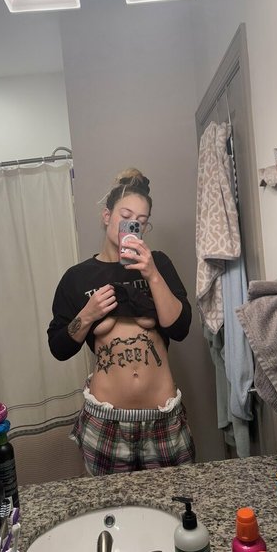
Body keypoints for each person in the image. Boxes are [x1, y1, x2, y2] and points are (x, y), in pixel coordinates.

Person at [47, 168, 195, 475]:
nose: (132, 226)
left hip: (162, 419)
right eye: (126, 217)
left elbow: (180, 328)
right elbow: (59, 347)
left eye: (141, 221)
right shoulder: (77, 278)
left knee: (176, 500)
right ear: (107, 216)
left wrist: (152, 274)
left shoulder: (158, 264)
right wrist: (88, 314)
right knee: (110, 504)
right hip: (106, 423)